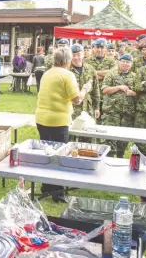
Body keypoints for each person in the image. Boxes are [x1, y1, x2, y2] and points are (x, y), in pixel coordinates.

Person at [36, 46, 90, 199]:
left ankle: (46, 186)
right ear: (68, 61)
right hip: (58, 120)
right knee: (60, 155)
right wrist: (85, 89)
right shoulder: (68, 75)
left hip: (41, 117)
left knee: (47, 152)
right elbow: (77, 99)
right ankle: (57, 192)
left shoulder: (47, 73)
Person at [101, 54, 137, 157]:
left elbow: (139, 92)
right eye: (123, 61)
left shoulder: (135, 76)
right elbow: (105, 90)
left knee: (123, 140)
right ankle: (109, 159)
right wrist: (119, 87)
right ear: (119, 62)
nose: (125, 64)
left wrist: (133, 93)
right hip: (112, 112)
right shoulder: (111, 74)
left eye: (128, 62)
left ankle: (121, 158)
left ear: (131, 64)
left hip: (127, 113)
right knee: (110, 138)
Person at [68, 44, 99, 120]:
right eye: (73, 55)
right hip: (72, 109)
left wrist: (97, 107)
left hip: (88, 108)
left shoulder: (90, 69)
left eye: (78, 55)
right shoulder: (67, 70)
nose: (76, 57)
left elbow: (95, 90)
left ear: (83, 54)